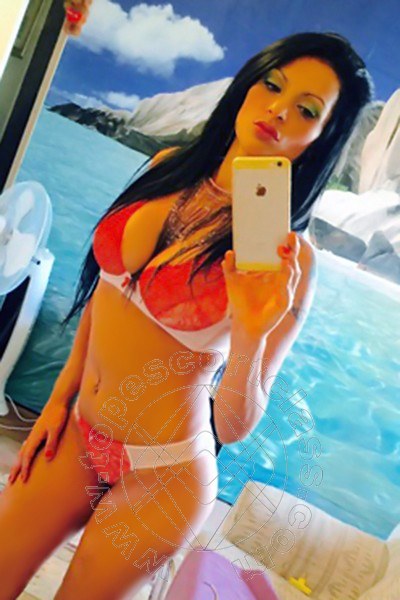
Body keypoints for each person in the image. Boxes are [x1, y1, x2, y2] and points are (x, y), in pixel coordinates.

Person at [0, 32, 372, 600]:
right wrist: (58, 401)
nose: (279, 110)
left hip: (165, 474)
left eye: (307, 110)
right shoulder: (168, 166)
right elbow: (105, 297)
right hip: (79, 435)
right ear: (247, 85)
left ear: (323, 136)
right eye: (273, 85)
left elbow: (234, 426)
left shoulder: (289, 260)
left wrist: (250, 336)